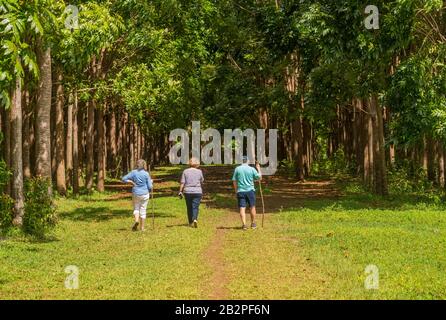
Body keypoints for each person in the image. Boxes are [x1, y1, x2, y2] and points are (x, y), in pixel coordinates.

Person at [122, 159, 153, 232]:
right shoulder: (146, 174)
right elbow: (150, 187)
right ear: (144, 165)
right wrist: (151, 182)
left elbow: (123, 179)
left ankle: (136, 220)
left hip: (136, 193)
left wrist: (130, 181)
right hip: (145, 194)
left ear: (137, 164)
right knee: (143, 209)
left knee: (136, 208)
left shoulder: (133, 172)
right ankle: (142, 228)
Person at [232, 156, 262, 230]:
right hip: (250, 191)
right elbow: (259, 178)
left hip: (241, 191)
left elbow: (234, 181)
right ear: (248, 161)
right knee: (252, 207)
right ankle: (253, 224)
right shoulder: (251, 169)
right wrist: (258, 168)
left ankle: (244, 225)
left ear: (241, 161)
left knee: (242, 208)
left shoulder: (237, 169)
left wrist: (236, 191)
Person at [178, 158, 204, 228]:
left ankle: (190, 222)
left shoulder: (185, 171)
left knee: (189, 207)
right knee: (195, 206)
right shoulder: (199, 171)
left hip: (188, 191)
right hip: (197, 191)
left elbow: (182, 182)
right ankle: (195, 219)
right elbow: (202, 180)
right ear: (197, 163)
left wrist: (180, 191)